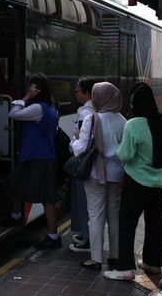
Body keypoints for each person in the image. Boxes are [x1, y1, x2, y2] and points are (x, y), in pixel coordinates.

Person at [104, 82, 162, 281]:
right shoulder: (160, 120)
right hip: (160, 182)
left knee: (127, 223)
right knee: (154, 222)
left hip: (137, 182)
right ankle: (153, 263)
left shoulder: (133, 124)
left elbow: (125, 154)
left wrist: (114, 147)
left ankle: (125, 268)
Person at [70, 82, 126, 271]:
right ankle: (116, 255)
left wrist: (76, 139)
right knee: (114, 215)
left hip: (95, 174)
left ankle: (96, 258)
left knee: (95, 216)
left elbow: (80, 149)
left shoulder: (92, 119)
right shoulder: (123, 120)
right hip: (117, 174)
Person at [6, 73, 61, 250]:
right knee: (14, 183)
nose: (28, 88)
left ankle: (53, 237)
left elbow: (13, 114)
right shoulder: (52, 108)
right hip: (41, 157)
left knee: (46, 198)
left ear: (36, 89)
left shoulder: (38, 108)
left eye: (31, 86)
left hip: (37, 158)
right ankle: (15, 216)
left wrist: (26, 98)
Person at [68, 77, 96, 253]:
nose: (75, 93)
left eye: (77, 90)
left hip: (83, 162)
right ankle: (85, 234)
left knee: (84, 200)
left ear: (87, 92)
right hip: (89, 162)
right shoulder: (92, 109)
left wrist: (74, 142)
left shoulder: (86, 113)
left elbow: (80, 141)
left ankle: (87, 238)